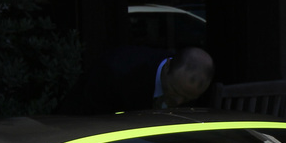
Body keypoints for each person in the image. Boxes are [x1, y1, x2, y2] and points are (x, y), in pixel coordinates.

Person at [63, 45, 215, 115]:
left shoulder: (199, 91)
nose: (179, 101)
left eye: (188, 98)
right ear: (167, 66)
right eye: (175, 90)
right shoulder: (117, 73)